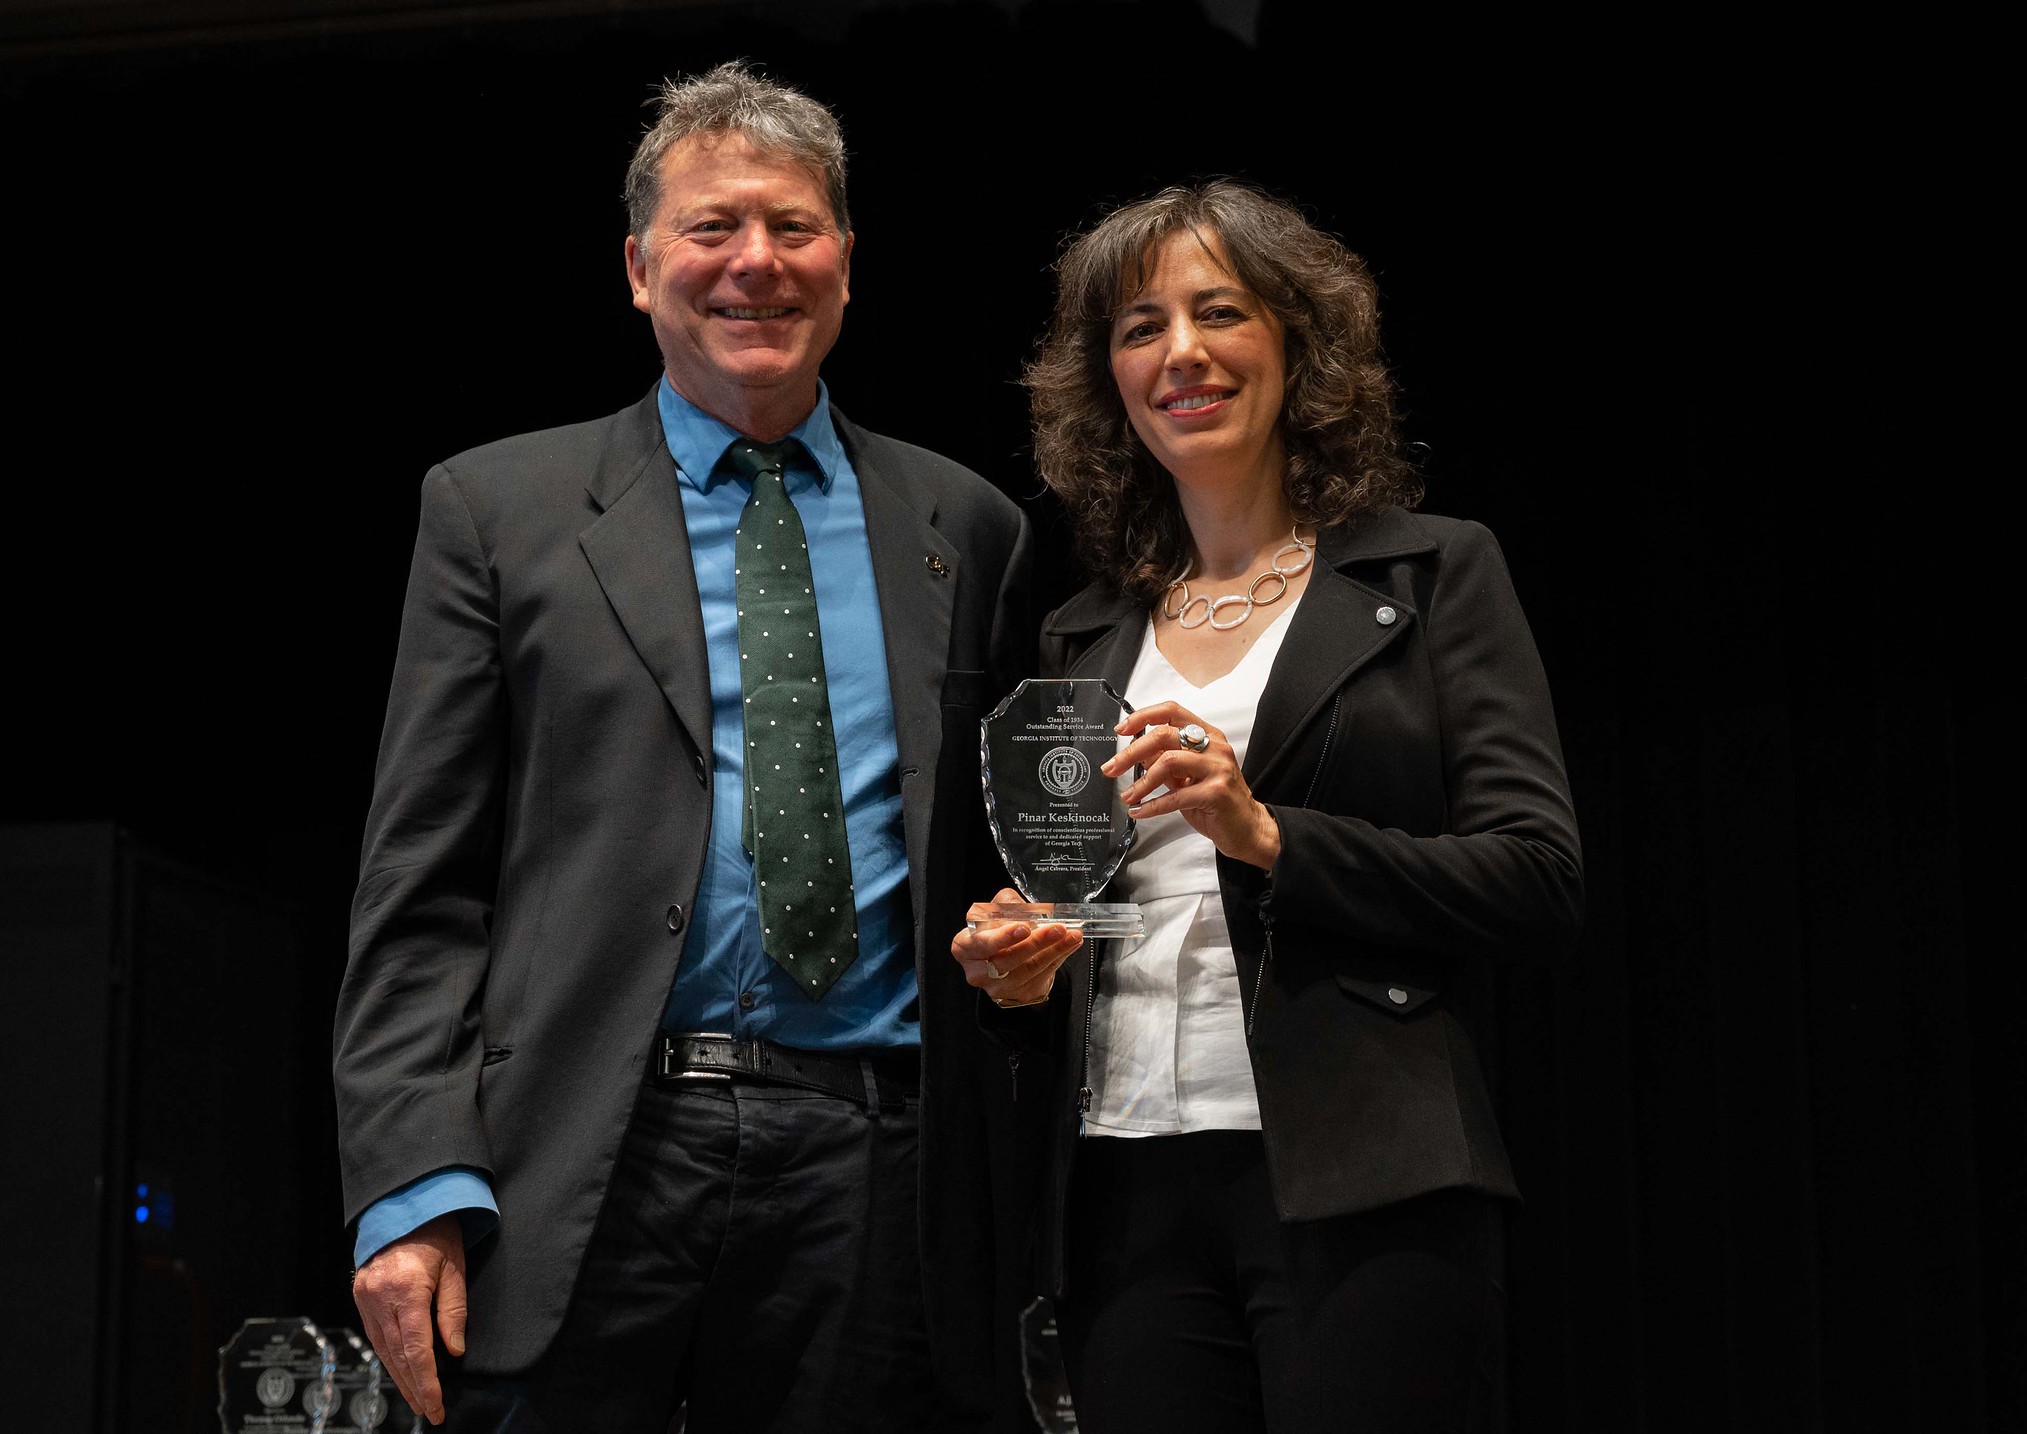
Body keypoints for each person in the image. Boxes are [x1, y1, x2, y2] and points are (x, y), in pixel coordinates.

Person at [335, 61, 1048, 1433]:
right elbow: (419, 886)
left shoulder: (968, 527)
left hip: (877, 1164)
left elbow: (1007, 850)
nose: (756, 264)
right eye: (713, 227)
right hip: (580, 1155)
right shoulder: (498, 509)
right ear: (638, 265)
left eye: (794, 226)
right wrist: (411, 1183)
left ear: (848, 263)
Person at [951, 181, 1584, 1432]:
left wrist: (1267, 835)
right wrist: (1022, 973)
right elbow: (1082, 913)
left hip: (1365, 1181)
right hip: (1123, 1184)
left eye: (1218, 312)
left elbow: (1535, 877)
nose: (1178, 353)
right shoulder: (1081, 636)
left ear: (1296, 344)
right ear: (1108, 382)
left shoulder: (1430, 572)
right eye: (1139, 328)